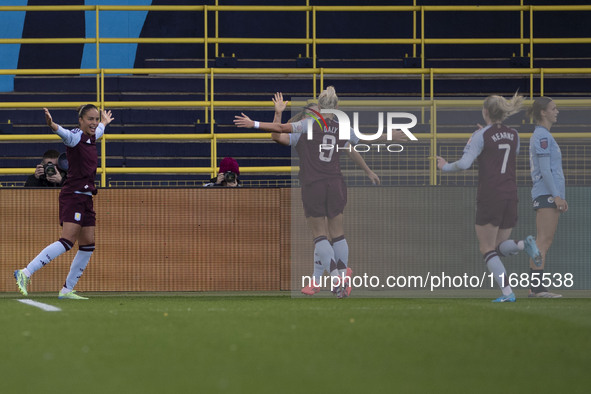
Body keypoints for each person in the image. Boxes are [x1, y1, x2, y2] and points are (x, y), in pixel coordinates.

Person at [234, 87, 380, 298]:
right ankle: (334, 278)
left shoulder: (305, 126)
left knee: (319, 235)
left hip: (313, 184)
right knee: (338, 234)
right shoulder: (341, 127)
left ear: (318, 108)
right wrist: (386, 137)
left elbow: (278, 130)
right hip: (336, 183)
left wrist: (254, 123)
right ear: (337, 107)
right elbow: (358, 144)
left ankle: (337, 278)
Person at [436, 93, 541, 303]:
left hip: (490, 194)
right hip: (511, 193)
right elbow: (509, 153)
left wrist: (444, 166)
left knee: (487, 248)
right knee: (500, 246)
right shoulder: (514, 135)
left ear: (485, 112)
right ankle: (522, 245)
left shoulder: (480, 135)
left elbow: (464, 164)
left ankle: (507, 293)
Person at [14, 104, 113, 300]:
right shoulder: (75, 137)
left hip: (86, 197)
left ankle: (67, 289)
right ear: (81, 121)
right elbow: (63, 133)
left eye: (95, 119)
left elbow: (100, 129)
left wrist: (104, 122)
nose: (94, 123)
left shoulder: (93, 135)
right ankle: (25, 272)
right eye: (90, 119)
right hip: (73, 196)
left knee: (88, 245)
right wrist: (52, 125)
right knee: (67, 241)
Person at [527, 97, 565, 298]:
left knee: (544, 241)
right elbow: (545, 170)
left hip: (546, 193)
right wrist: (556, 196)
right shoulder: (542, 136)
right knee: (543, 241)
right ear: (543, 112)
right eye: (554, 108)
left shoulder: (544, 136)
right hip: (546, 193)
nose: (557, 111)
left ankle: (536, 288)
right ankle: (538, 288)